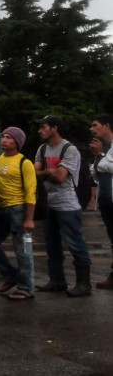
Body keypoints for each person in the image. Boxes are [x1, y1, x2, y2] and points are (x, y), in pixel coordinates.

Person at [32, 116, 92, 297]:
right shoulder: (42, 149)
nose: (39, 130)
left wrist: (47, 173)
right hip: (47, 204)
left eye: (43, 127)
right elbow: (33, 174)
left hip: (67, 204)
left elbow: (60, 177)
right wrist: (48, 171)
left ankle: (84, 284)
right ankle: (57, 280)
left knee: (75, 242)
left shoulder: (69, 149)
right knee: (51, 245)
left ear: (54, 128)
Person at [0, 126, 37, 300]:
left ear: (17, 143)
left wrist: (29, 218)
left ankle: (26, 287)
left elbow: (31, 191)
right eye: (3, 137)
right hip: (0, 210)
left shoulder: (24, 163)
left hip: (18, 210)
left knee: (23, 250)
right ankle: (10, 274)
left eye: (9, 138)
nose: (4, 140)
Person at [89, 114, 113, 288]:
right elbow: (97, 173)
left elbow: (108, 166)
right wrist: (98, 157)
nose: (92, 129)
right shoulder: (105, 148)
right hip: (106, 201)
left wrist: (101, 155)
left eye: (95, 125)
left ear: (106, 126)